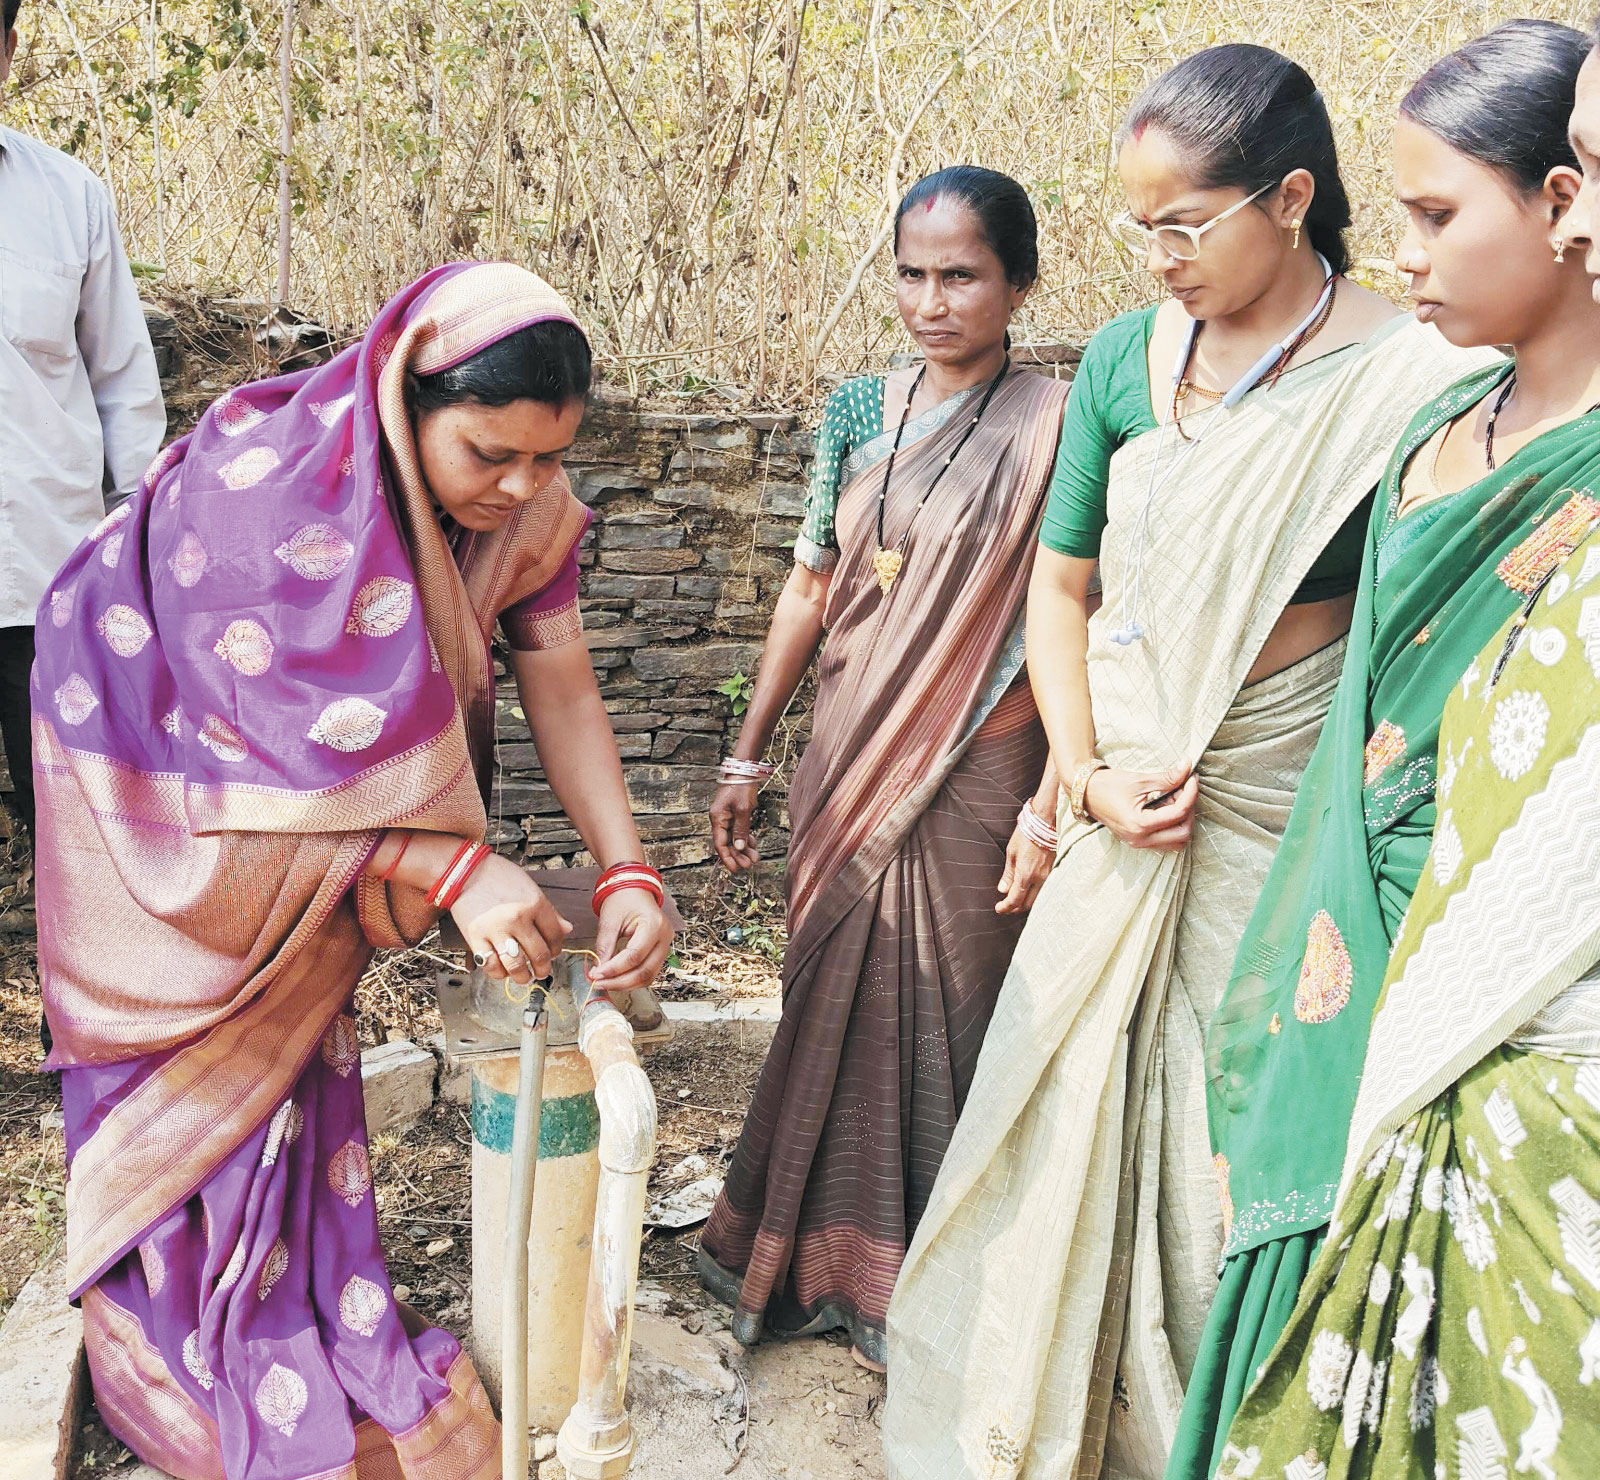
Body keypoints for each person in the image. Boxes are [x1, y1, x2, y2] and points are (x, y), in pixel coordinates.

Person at [885, 46, 1491, 1479]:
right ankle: (1054, 1422)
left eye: (1183, 224)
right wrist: (1083, 775)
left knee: (1239, 1160)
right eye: (1136, 227)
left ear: (1290, 200)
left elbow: (1426, 642)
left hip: (1290, 831)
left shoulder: (1418, 382)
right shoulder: (1121, 360)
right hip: (1120, 821)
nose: (1155, 258)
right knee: (1055, 1138)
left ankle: (1205, 1436)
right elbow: (1063, 589)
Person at [33, 263, 675, 1479]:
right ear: (403, 401)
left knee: (289, 1081)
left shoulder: (519, 511)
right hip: (149, 790)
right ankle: (166, 1329)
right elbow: (239, 763)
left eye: (550, 459)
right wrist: (448, 863)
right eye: (491, 454)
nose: (523, 488)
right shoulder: (265, 504)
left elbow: (567, 682)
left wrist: (628, 866)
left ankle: (287, 1293)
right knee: (188, 1087)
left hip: (296, 838)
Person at [1183, 21, 1600, 1478]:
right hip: (1346, 933)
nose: (1404, 253)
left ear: (1564, 202)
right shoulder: (1433, 423)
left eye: (1437, 215)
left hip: (1518, 977)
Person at [697, 166, 1069, 1372]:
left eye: (960, 275)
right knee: (826, 997)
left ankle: (933, 1278)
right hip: (849, 748)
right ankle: (804, 1259)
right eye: (911, 273)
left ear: (1018, 280)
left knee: (956, 1008)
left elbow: (1075, 605)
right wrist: (746, 753)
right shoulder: (858, 410)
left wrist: (1057, 787)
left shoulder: (1062, 419)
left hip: (981, 761)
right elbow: (812, 581)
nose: (929, 300)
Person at [0, 0, 165, 853]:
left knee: (71, 822)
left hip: (46, 579)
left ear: (8, 51)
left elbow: (123, 381)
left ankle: (82, 985)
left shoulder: (68, 196)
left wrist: (143, 550)